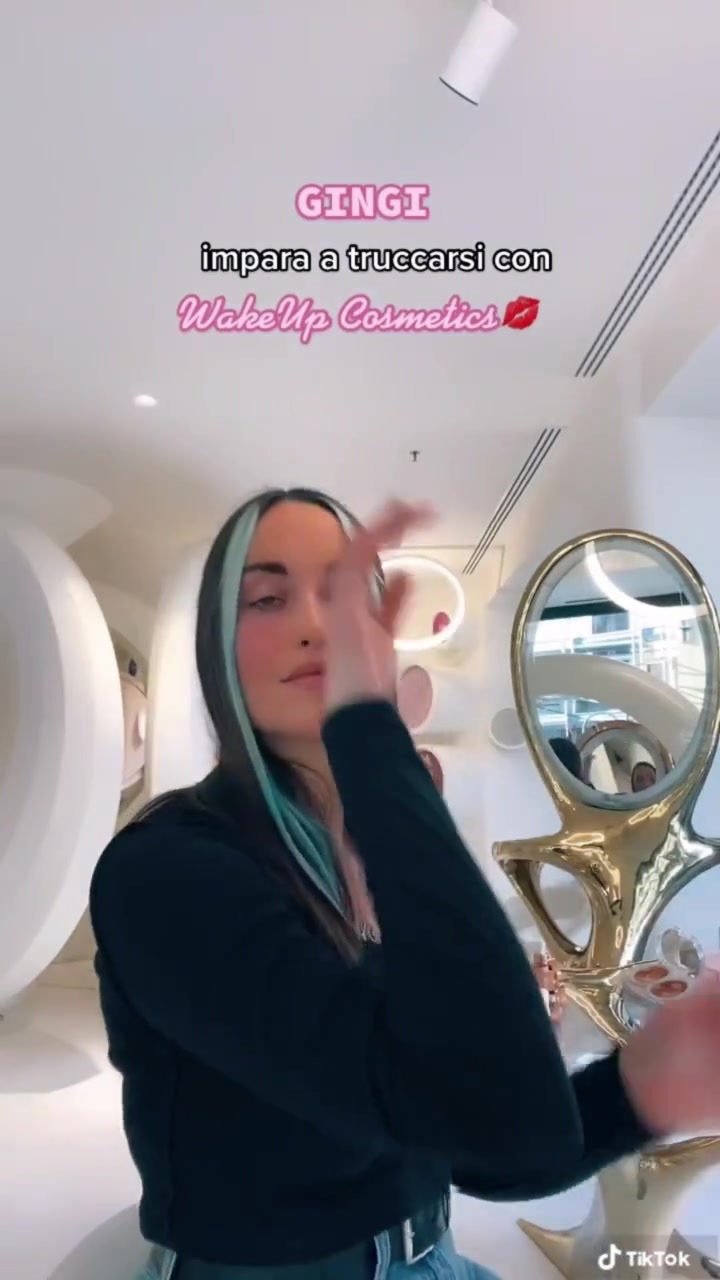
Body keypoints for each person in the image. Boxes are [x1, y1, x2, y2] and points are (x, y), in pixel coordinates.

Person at [89, 490, 720, 1280]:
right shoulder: (166, 874)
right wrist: (367, 728)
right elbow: (491, 1113)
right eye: (269, 599)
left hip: (431, 1257)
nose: (316, 625)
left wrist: (641, 1087)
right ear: (217, 648)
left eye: (344, 596)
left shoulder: (369, 857)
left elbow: (480, 1137)